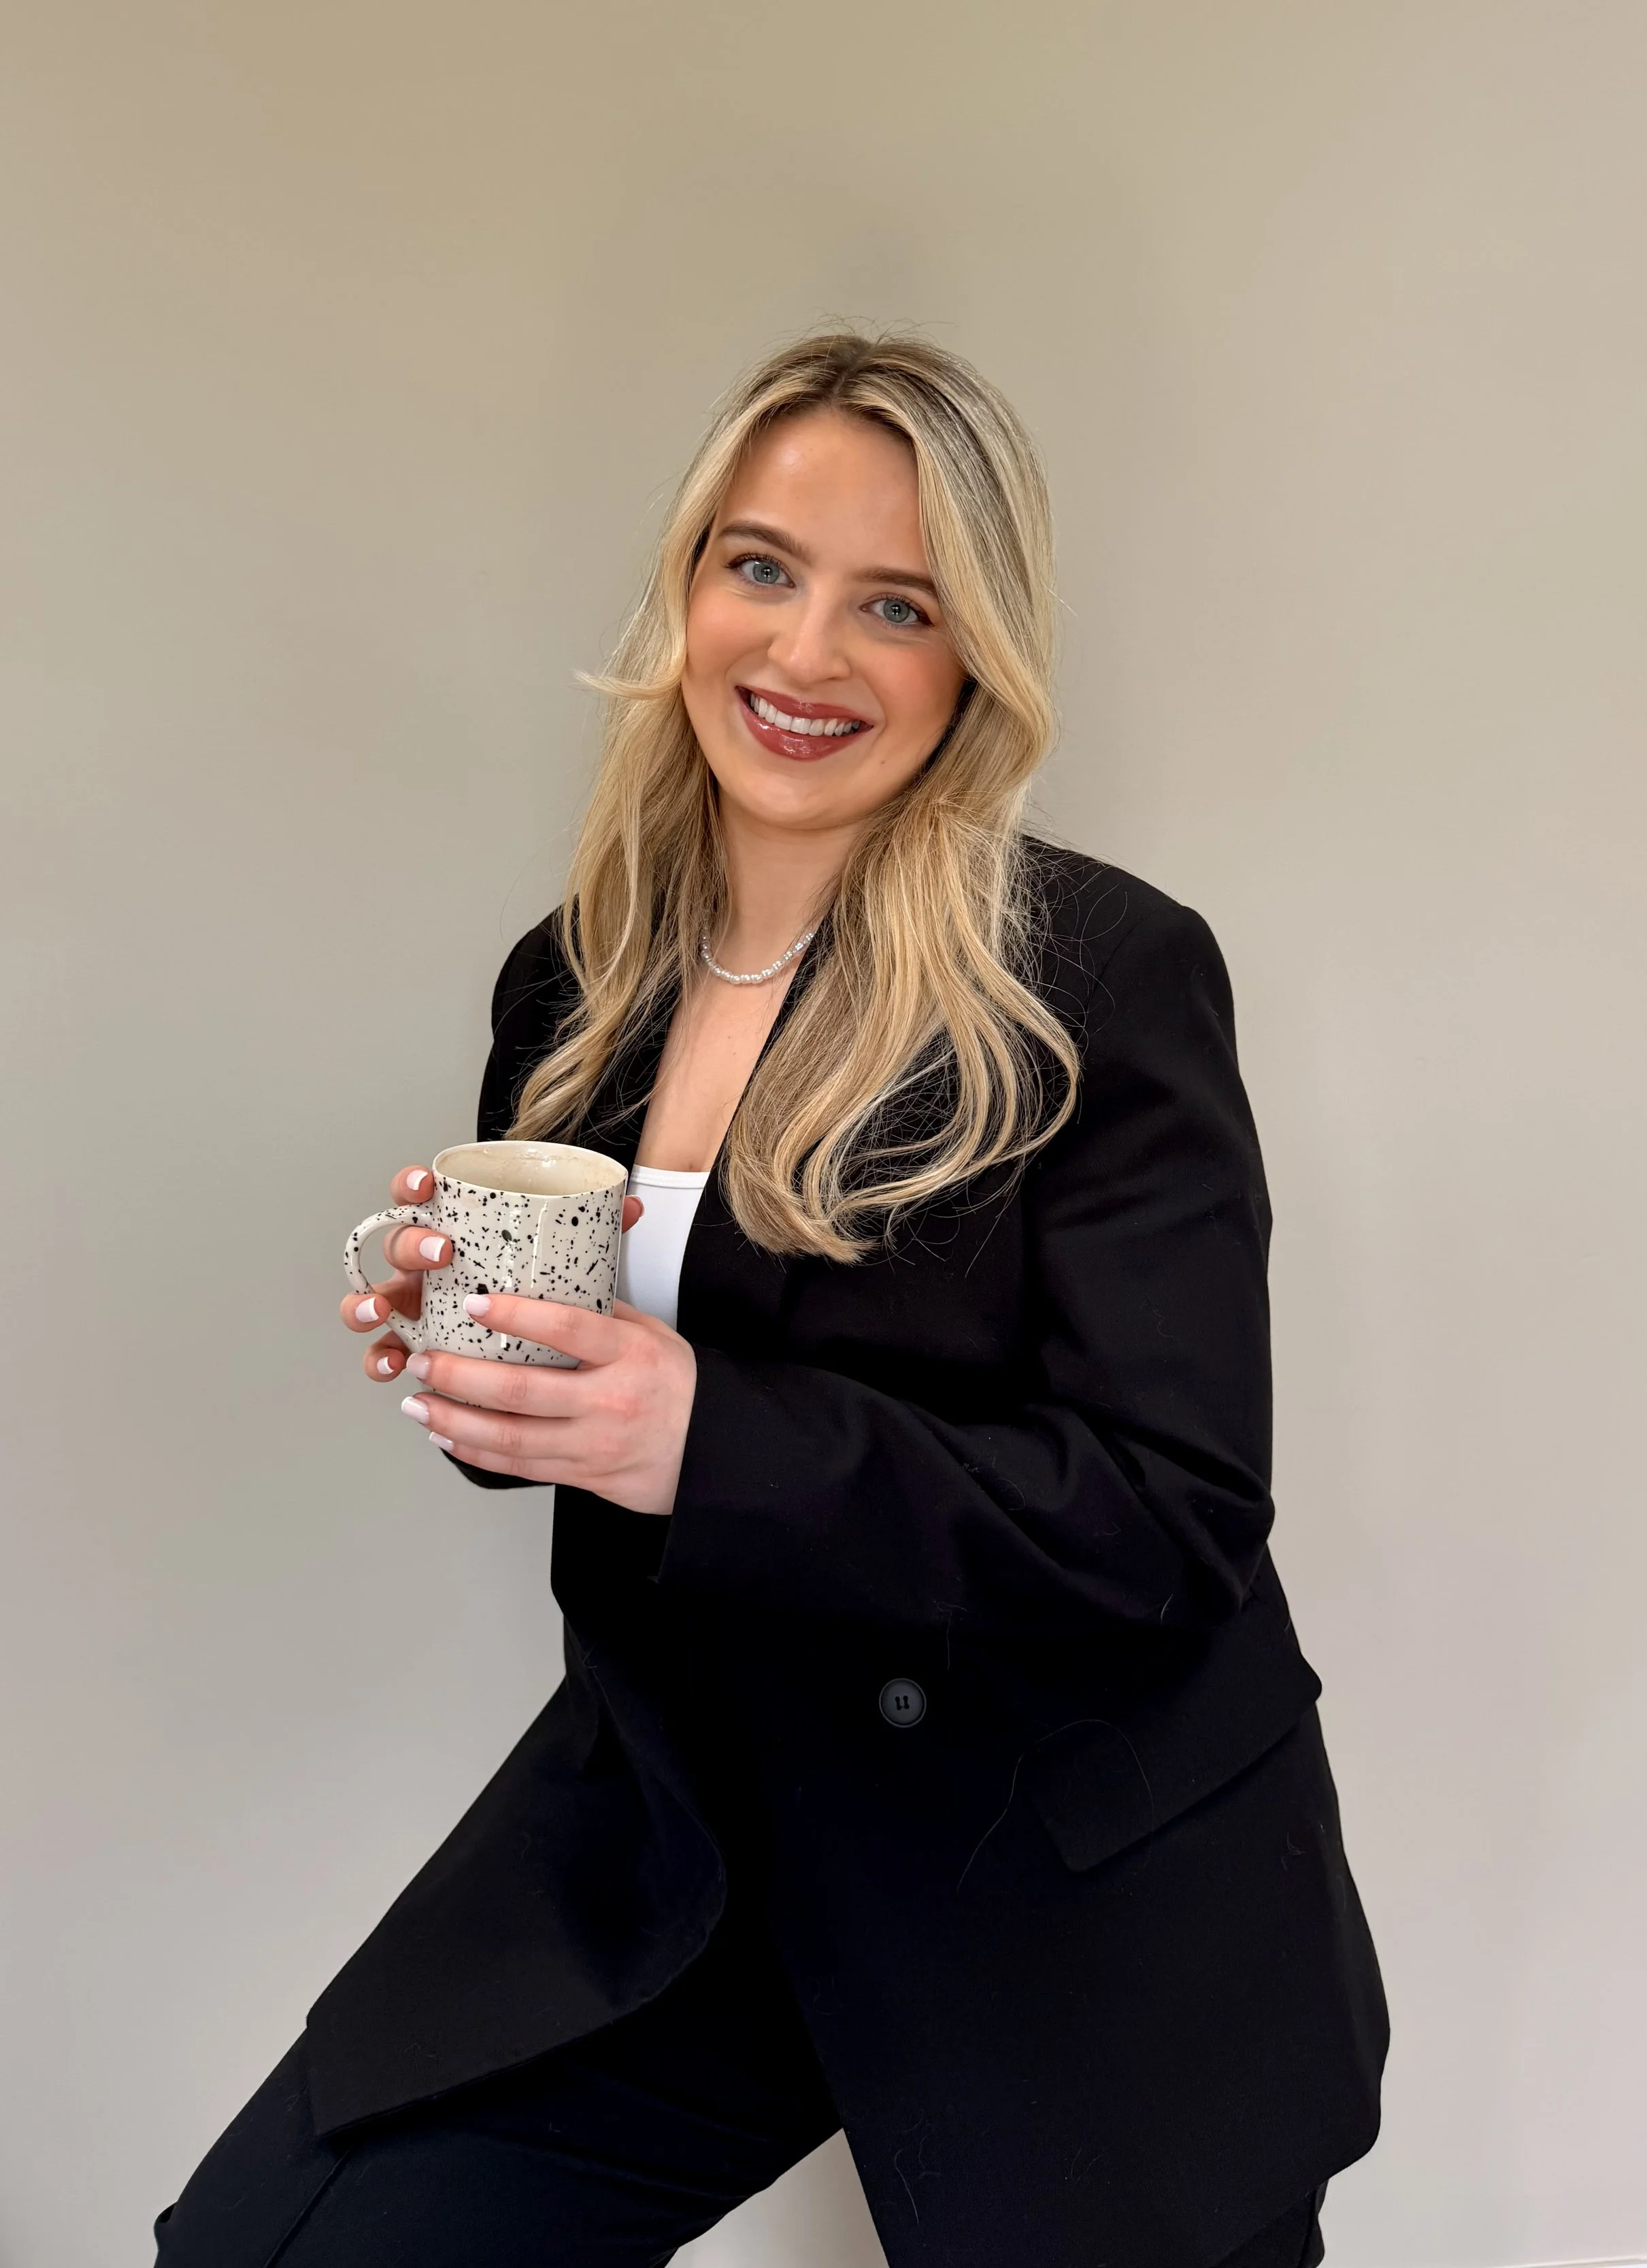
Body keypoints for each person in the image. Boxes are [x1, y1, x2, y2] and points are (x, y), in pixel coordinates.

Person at [154, 331, 1388, 2268]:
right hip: (689, 1830)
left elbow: (1171, 1517)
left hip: (1051, 1861)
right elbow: (614, 1435)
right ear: (684, 586)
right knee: (272, 2247)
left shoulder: (1097, 977)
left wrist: (701, 1431)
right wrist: (490, 1373)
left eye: (892, 603)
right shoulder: (573, 981)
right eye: (760, 565)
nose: (804, 654)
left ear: (970, 654)